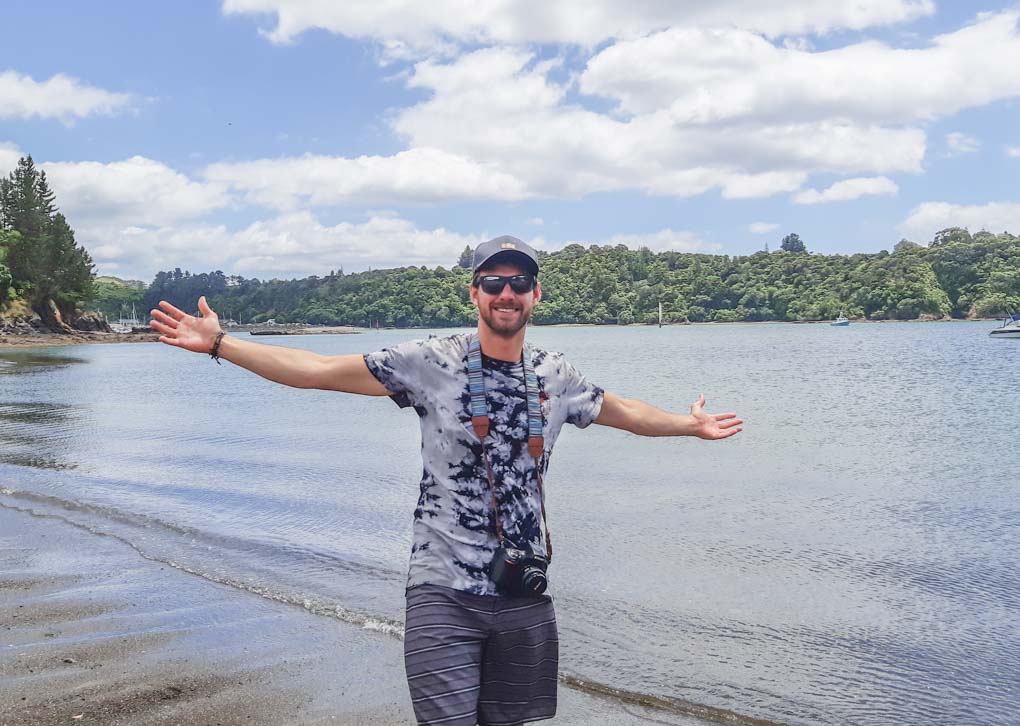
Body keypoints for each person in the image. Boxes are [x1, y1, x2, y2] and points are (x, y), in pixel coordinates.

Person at [150, 235, 742, 726]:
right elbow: (319, 372)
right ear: (475, 293)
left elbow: (624, 411)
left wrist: (690, 427)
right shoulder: (431, 361)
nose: (506, 293)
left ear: (535, 294)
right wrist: (222, 344)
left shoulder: (554, 375)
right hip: (443, 591)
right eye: (493, 282)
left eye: (517, 283)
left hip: (524, 592)